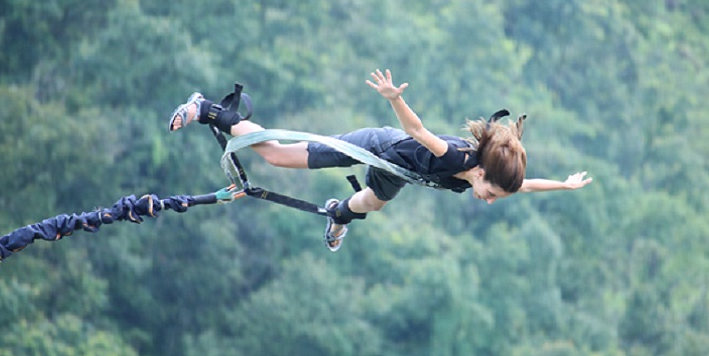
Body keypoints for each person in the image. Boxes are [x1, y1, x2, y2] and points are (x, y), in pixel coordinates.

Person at [168, 69, 592, 251]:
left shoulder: (485, 176)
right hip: (376, 147)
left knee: (371, 203)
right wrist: (397, 99)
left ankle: (338, 214)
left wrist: (564, 185)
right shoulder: (458, 155)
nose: (488, 199)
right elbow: (417, 133)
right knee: (277, 157)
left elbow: (527, 185)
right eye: (490, 192)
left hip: (397, 175)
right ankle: (207, 109)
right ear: (480, 172)